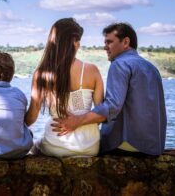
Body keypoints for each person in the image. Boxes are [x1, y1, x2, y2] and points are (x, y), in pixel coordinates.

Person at [53, 22, 167, 156]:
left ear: (125, 42)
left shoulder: (119, 64)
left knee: (81, 147)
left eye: (109, 42)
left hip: (128, 144)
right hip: (153, 146)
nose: (105, 47)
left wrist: (77, 121)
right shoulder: (152, 68)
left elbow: (112, 106)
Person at [25, 18, 104, 157]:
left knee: (33, 149)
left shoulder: (42, 73)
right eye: (78, 40)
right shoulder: (92, 70)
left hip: (56, 144)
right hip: (89, 146)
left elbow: (32, 116)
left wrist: (12, 128)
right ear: (74, 42)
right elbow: (102, 113)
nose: (79, 44)